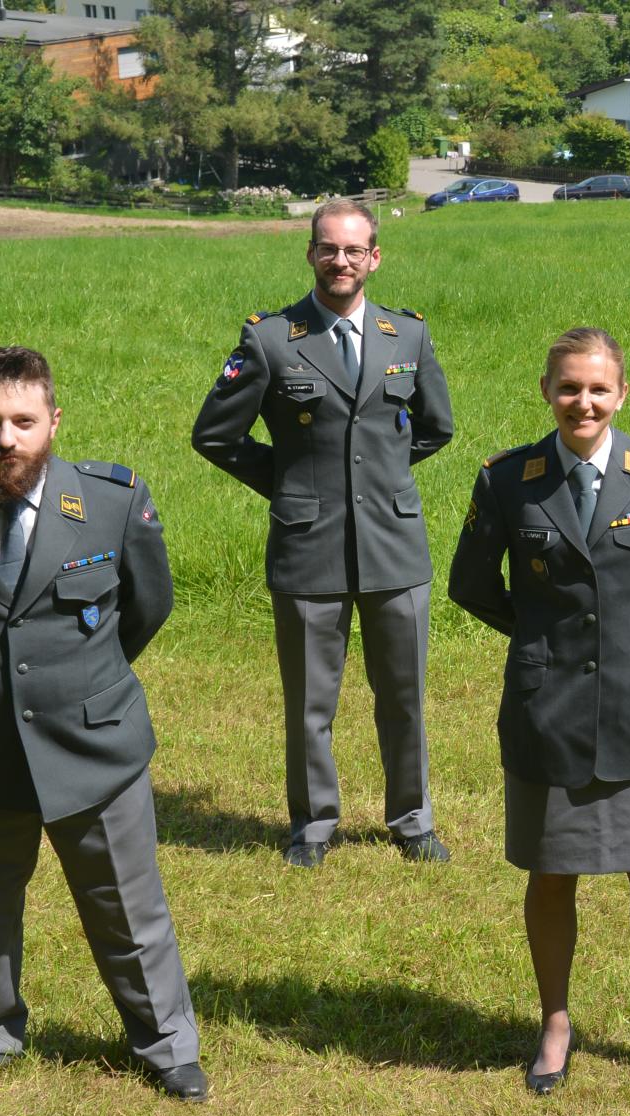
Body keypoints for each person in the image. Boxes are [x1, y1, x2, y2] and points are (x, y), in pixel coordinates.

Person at [0, 346, 209, 1105]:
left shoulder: (111, 502)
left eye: (24, 422)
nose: (6, 439)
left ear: (53, 422)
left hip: (95, 743)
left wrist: (81, 683)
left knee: (128, 906)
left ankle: (166, 1044)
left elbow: (146, 607)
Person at [450, 327, 630, 1093]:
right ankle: (555, 1021)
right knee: (550, 873)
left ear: (622, 394)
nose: (584, 402)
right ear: (546, 390)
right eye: (569, 387)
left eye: (599, 388)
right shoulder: (510, 480)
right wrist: (544, 635)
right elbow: (471, 584)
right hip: (549, 709)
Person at [192, 198, 457, 868]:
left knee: (404, 697)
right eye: (328, 249)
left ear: (374, 257)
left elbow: (436, 426)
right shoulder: (271, 339)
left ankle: (412, 820)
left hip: (393, 546)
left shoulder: (409, 336)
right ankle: (312, 825)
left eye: (354, 250)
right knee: (311, 702)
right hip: (308, 544)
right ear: (310, 253)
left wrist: (381, 476)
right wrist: (289, 483)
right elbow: (216, 435)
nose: (341, 262)